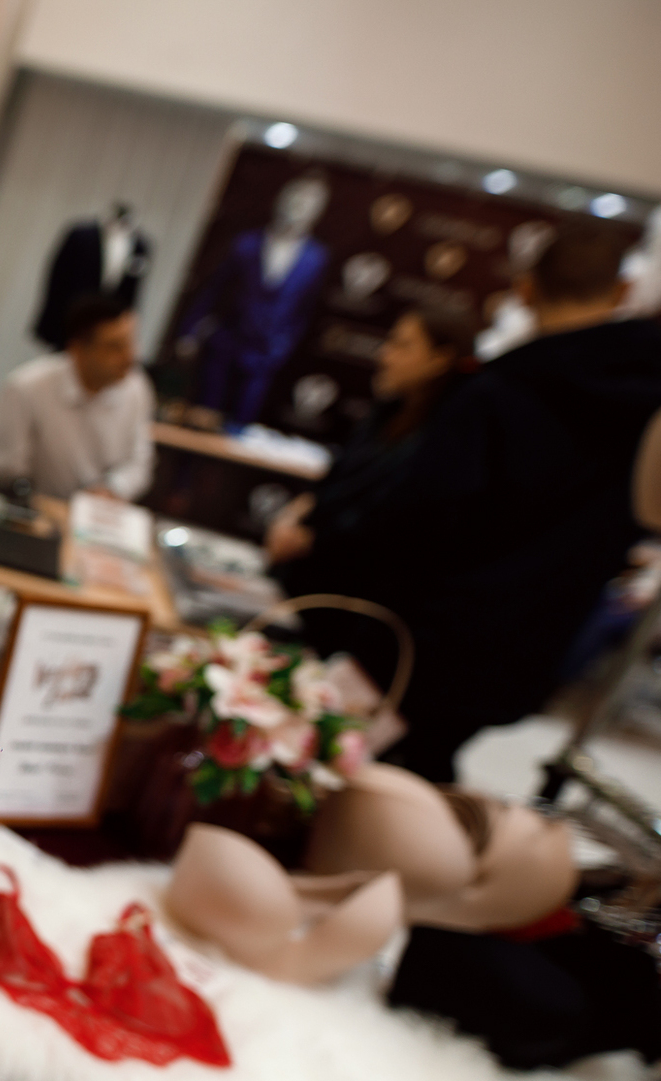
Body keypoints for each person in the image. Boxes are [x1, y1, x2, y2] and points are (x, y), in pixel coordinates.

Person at [336, 221, 661, 782]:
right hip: (535, 645)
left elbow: (419, 521)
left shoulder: (495, 391)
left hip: (429, 640)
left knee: (356, 778)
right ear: (622, 291)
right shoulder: (647, 406)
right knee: (421, 775)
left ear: (525, 289)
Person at [265, 303, 478, 645]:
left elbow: (386, 526)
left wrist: (312, 540)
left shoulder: (444, 442)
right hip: (299, 586)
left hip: (349, 614)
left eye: (403, 346)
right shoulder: (386, 412)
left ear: (440, 359)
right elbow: (333, 481)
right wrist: (292, 516)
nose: (385, 355)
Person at [175, 170, 332, 424]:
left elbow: (305, 311)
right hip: (226, 345)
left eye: (310, 201)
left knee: (241, 425)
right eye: (296, 196)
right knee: (203, 417)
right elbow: (213, 289)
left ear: (319, 210)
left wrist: (282, 347)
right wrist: (190, 330)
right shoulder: (246, 243)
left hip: (264, 356)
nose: (300, 205)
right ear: (281, 198)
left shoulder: (315, 259)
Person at [0, 291, 154, 501]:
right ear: (77, 349)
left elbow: (139, 462)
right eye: (114, 347)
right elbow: (7, 469)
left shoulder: (136, 387)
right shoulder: (26, 387)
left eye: (130, 343)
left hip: (99, 510)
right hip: (37, 506)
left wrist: (113, 488)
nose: (130, 357)